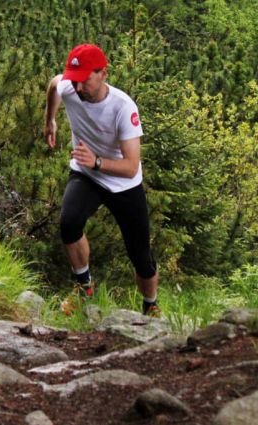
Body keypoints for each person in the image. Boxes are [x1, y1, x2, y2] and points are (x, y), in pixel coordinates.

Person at [43, 44, 160, 316]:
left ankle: (150, 305)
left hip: (123, 184)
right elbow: (54, 85)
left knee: (141, 257)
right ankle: (83, 286)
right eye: (75, 78)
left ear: (103, 73)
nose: (78, 85)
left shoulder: (122, 107)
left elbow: (131, 167)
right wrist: (50, 120)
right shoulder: (69, 88)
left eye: (85, 78)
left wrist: (97, 160)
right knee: (69, 223)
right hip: (87, 175)